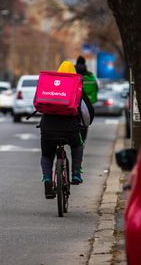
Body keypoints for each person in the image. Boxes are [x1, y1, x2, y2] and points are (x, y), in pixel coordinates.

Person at [39, 60, 94, 199]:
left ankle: (47, 179)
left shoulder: (50, 85)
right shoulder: (77, 88)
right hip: (70, 129)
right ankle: (76, 173)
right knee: (77, 145)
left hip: (47, 128)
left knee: (47, 154)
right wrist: (85, 124)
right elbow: (86, 112)